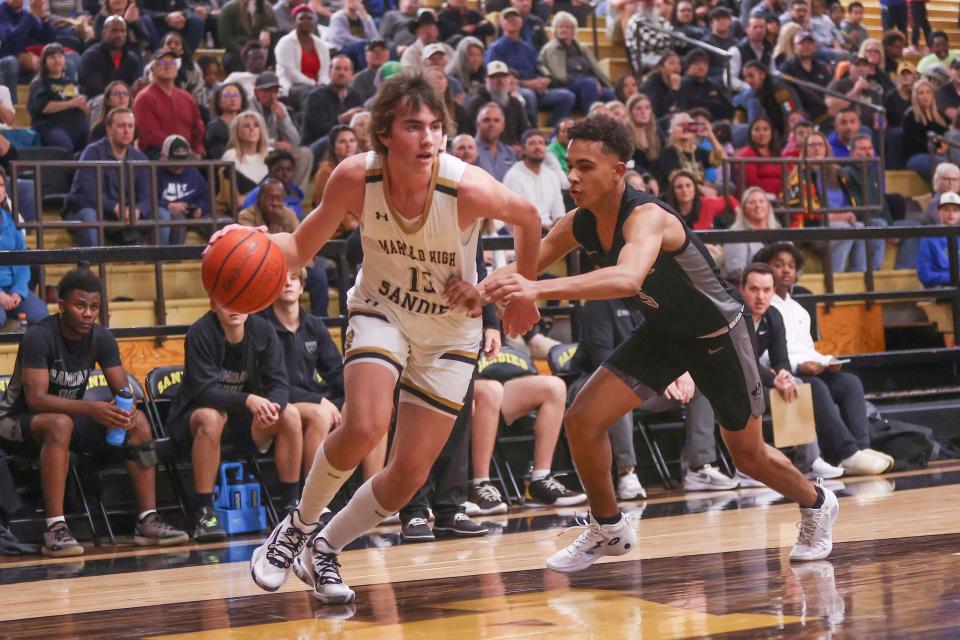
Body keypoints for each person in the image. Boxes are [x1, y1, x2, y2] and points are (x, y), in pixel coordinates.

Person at [481, 115, 839, 573]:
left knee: (747, 457)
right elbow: (520, 268)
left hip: (720, 337)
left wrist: (536, 291)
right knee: (582, 420)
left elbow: (627, 278)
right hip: (663, 334)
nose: (572, 176)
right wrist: (474, 293)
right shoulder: (577, 223)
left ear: (618, 171)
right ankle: (609, 527)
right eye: (569, 165)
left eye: (585, 166)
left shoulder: (648, 217)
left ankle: (817, 502)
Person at [240, 71, 540, 603]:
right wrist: (243, 240)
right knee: (365, 423)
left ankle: (325, 549)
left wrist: (518, 291)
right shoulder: (355, 179)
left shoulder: (466, 185)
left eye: (434, 128)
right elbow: (299, 247)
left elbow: (529, 217)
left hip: (450, 330)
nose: (427, 138)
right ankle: (296, 528)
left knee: (407, 474)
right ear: (383, 133)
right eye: (411, 126)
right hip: (382, 311)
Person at [0, 269, 188, 556]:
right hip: (15, 421)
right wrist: (92, 408)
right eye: (80, 306)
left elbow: (124, 391)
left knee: (138, 422)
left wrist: (124, 409)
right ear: (62, 306)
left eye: (94, 307)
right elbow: (36, 399)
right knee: (60, 424)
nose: (88, 313)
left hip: (68, 420)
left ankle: (147, 520)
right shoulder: (39, 336)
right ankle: (55, 528)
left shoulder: (101, 338)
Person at [569, 298, 737, 496]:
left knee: (701, 383)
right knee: (617, 390)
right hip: (590, 382)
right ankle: (626, 472)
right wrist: (657, 377)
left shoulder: (654, 302)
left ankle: (699, 468)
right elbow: (603, 359)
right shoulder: (599, 304)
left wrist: (683, 372)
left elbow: (674, 348)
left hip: (642, 382)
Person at [167, 296, 300, 541]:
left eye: (241, 300)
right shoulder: (201, 332)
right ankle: (204, 513)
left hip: (244, 421)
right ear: (213, 304)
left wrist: (272, 407)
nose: (235, 307)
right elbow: (204, 392)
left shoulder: (263, 330)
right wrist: (248, 400)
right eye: (227, 301)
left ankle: (291, 508)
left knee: (289, 413)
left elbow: (280, 383)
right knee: (211, 418)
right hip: (196, 417)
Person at [753, 243, 894, 474]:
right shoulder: (764, 308)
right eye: (778, 265)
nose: (786, 271)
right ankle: (845, 453)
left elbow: (807, 347)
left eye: (791, 265)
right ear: (766, 270)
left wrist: (827, 360)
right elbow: (766, 356)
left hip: (807, 367)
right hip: (783, 373)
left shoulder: (799, 308)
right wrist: (800, 366)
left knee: (850, 383)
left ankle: (861, 448)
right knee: (815, 387)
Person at [738, 263, 848, 481]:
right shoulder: (735, 316)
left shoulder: (774, 316)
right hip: (729, 380)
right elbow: (744, 362)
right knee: (758, 392)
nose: (761, 297)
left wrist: (784, 375)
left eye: (766, 290)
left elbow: (781, 359)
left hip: (754, 380)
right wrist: (775, 379)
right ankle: (746, 466)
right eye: (754, 289)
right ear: (742, 289)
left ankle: (808, 462)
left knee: (795, 384)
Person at [471, 356, 587, 511]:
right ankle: (480, 484)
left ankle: (541, 478)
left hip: (499, 379)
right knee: (491, 391)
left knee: (554, 386)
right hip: (465, 380)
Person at [262, 268, 344, 479]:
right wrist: (318, 400)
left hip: (313, 398)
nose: (288, 283)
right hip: (277, 403)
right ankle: (311, 498)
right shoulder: (262, 327)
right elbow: (270, 385)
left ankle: (373, 498)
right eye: (281, 279)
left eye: (294, 278)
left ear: (302, 287)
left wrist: (355, 397)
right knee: (321, 414)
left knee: (369, 409)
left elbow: (336, 371)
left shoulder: (314, 325)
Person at [64, 107, 172, 247]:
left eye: (130, 126)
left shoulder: (140, 158)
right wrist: (114, 207)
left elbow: (147, 195)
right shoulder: (92, 152)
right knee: (90, 217)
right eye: (121, 126)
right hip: (92, 209)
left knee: (162, 215)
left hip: (127, 213)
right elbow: (87, 191)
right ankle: (94, 265)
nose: (127, 131)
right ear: (109, 129)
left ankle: (157, 264)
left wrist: (137, 210)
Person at [485, 7, 575, 128]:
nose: (512, 21)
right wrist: (528, 84)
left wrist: (544, 80)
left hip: (537, 89)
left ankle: (554, 130)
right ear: (502, 24)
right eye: (508, 19)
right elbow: (497, 77)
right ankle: (531, 132)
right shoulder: (496, 49)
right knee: (528, 95)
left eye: (515, 18)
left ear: (521, 22)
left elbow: (539, 67)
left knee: (567, 96)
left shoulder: (528, 48)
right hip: (514, 89)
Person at [132, 47, 205, 158]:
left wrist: (198, 149)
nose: (167, 66)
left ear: (177, 68)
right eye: (162, 62)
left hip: (186, 156)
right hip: (157, 156)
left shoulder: (187, 98)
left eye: (172, 62)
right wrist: (181, 148)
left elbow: (197, 129)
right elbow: (149, 134)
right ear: (153, 68)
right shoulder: (144, 98)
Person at [538, 11, 613, 115]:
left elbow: (595, 70)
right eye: (561, 27)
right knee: (589, 84)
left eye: (568, 27)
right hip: (564, 86)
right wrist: (590, 81)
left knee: (610, 94)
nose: (564, 29)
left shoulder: (582, 48)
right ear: (555, 30)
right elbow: (558, 76)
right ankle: (589, 121)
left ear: (574, 31)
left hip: (588, 86)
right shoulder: (551, 49)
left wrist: (597, 82)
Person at [249, 71, 313, 191]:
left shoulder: (280, 107)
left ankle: (294, 197)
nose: (272, 96)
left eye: (275, 91)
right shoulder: (248, 108)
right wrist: (274, 145)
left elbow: (295, 141)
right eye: (267, 91)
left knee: (305, 153)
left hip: (275, 153)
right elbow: (248, 138)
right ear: (256, 92)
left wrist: (283, 119)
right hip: (256, 151)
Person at [0, 166, 46, 326]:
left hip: (12, 288)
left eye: (0, 185)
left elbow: (22, 260)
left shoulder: (12, 220)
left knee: (42, 316)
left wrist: (18, 291)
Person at [27, 43, 89, 155]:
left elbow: (85, 110)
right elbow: (43, 107)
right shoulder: (39, 84)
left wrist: (84, 106)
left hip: (76, 125)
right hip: (50, 126)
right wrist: (70, 103)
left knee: (90, 147)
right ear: (44, 62)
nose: (57, 60)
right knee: (64, 148)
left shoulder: (73, 83)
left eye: (60, 56)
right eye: (52, 57)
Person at [503, 129, 565, 231]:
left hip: (550, 232)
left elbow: (558, 212)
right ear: (523, 149)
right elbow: (515, 217)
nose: (537, 147)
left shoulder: (551, 175)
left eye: (541, 143)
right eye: (532, 143)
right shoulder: (513, 176)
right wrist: (540, 228)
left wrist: (558, 225)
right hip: (522, 233)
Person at [157, 134, 210, 245]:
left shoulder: (193, 172)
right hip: (171, 213)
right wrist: (169, 205)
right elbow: (149, 199)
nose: (179, 165)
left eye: (182, 160)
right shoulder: (155, 173)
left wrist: (200, 208)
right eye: (174, 160)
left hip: (192, 214)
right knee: (177, 219)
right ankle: (174, 260)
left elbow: (206, 196)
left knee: (219, 222)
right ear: (164, 157)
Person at [302, 54, 365, 148]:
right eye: (337, 68)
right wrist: (342, 119)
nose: (341, 73)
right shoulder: (316, 97)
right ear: (329, 72)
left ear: (352, 74)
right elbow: (318, 131)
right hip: (318, 145)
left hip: (347, 144)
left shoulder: (356, 96)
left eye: (346, 69)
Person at [0, 0, 56, 102]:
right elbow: (9, 42)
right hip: (4, 61)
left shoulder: (25, 14)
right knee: (12, 62)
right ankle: (11, 109)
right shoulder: (2, 12)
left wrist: (43, 18)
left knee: (52, 60)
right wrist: (31, 15)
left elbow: (48, 40)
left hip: (21, 68)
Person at [721, 187, 781, 281]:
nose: (757, 205)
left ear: (768, 206)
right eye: (751, 202)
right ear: (744, 208)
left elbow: (793, 263)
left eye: (761, 201)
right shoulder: (736, 235)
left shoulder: (778, 231)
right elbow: (736, 273)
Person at [276, 4, 330, 106]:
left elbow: (324, 72)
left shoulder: (321, 45)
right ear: (294, 22)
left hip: (316, 86)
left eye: (310, 18)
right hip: (293, 86)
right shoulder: (285, 43)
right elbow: (291, 73)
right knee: (313, 95)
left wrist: (323, 85)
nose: (306, 21)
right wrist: (314, 85)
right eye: (301, 18)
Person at [78, 16, 142, 102]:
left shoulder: (132, 59)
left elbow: (134, 85)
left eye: (122, 31)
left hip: (125, 100)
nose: (119, 35)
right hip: (97, 101)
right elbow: (93, 89)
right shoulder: (91, 56)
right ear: (104, 33)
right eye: (114, 31)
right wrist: (120, 95)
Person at [465, 61, 528, 146]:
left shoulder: (515, 103)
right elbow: (470, 133)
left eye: (503, 77)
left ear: (509, 79)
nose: (500, 81)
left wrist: (520, 146)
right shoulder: (476, 103)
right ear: (486, 80)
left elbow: (524, 131)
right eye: (495, 77)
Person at [779, 30, 831, 126]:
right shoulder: (787, 68)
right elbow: (785, 94)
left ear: (814, 47)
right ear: (794, 47)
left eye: (809, 43)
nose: (806, 46)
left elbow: (829, 90)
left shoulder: (822, 67)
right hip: (798, 112)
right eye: (802, 43)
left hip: (822, 112)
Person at [658, 112, 723, 187]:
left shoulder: (698, 151)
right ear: (672, 131)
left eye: (688, 125)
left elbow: (720, 160)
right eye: (680, 125)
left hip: (698, 195)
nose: (685, 128)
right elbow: (677, 179)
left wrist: (711, 137)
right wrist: (702, 189)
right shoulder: (667, 153)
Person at [901, 78, 948, 178]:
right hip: (916, 156)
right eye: (921, 93)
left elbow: (947, 134)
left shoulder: (939, 115)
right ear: (915, 96)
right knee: (942, 167)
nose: (925, 96)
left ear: (932, 95)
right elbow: (914, 142)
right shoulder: (910, 115)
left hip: (938, 155)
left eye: (928, 92)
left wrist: (942, 147)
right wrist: (938, 147)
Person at [218, 0, 277, 73]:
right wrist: (243, 51)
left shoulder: (266, 7)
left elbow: (275, 28)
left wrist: (267, 31)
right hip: (237, 51)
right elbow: (225, 38)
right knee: (233, 60)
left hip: (261, 49)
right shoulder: (230, 9)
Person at [221, 109, 271, 196]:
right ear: (237, 131)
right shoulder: (230, 155)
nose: (252, 129)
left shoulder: (271, 153)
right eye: (246, 126)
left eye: (256, 125)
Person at [244, 148, 306, 218]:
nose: (285, 174)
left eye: (289, 170)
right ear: (270, 172)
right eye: (279, 170)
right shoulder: (256, 194)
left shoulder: (295, 195)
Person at [917, 191, 960, 287]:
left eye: (955, 210)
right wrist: (954, 277)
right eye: (946, 209)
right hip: (940, 288)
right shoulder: (928, 239)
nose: (951, 214)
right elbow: (925, 275)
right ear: (938, 213)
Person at [325, 0, 379, 72]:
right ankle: (367, 73)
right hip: (341, 49)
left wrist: (366, 17)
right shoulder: (338, 17)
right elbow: (341, 38)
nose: (352, 1)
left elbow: (374, 36)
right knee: (361, 46)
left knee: (384, 46)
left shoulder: (362, 17)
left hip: (361, 48)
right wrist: (366, 43)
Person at [736, 117, 784, 197]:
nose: (761, 133)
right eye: (757, 130)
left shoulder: (777, 152)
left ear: (771, 133)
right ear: (750, 133)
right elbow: (752, 184)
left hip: (781, 195)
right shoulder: (746, 154)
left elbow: (787, 176)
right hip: (755, 196)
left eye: (765, 129)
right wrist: (781, 185)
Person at [311, 124, 357, 208]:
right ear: (333, 146)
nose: (348, 145)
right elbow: (326, 207)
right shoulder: (325, 173)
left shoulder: (363, 168)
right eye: (342, 141)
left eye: (352, 140)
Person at [474, 102, 516, 183]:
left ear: (503, 126)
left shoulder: (510, 153)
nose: (491, 124)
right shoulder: (468, 150)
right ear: (478, 124)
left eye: (496, 121)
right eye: (486, 120)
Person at [204, 82, 247, 159]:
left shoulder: (248, 123)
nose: (233, 99)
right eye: (227, 95)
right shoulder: (215, 128)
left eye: (236, 95)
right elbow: (219, 157)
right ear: (219, 102)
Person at [638, 52, 680, 120]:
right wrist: (674, 90)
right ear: (661, 67)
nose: (676, 66)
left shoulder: (680, 83)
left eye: (678, 64)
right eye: (672, 63)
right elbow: (658, 111)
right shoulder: (651, 85)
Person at [350, 38, 389, 103]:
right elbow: (361, 106)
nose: (378, 53)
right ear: (366, 56)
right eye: (373, 51)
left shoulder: (397, 73)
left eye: (382, 50)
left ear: (388, 54)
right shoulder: (359, 79)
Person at [885, 61, 916, 128]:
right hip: (895, 129)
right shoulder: (890, 96)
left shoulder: (916, 95)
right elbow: (884, 116)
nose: (906, 76)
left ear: (914, 77)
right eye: (903, 73)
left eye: (909, 73)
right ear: (898, 76)